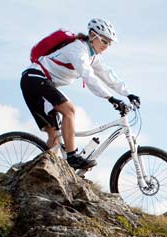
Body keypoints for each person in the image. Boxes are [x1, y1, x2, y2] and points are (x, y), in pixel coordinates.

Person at [20, 18, 141, 170]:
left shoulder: (93, 56)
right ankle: (72, 156)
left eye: (109, 43)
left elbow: (108, 75)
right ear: (92, 35)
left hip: (41, 83)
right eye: (104, 41)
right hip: (34, 78)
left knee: (54, 138)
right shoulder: (78, 49)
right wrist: (111, 98)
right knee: (69, 111)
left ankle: (36, 172)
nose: (106, 46)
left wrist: (129, 94)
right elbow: (89, 77)